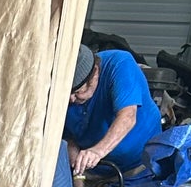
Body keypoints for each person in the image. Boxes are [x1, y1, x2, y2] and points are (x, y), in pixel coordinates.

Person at [64, 44, 163, 179]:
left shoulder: (120, 65)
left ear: (95, 75)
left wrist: (97, 152)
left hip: (142, 166)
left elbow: (127, 116)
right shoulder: (61, 88)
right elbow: (66, 136)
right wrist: (77, 172)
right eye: (66, 93)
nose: (70, 99)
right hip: (95, 170)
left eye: (77, 92)